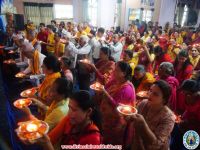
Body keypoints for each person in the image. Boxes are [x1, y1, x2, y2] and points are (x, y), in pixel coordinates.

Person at [29, 91, 102, 150]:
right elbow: (51, 138)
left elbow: (48, 142)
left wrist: (47, 144)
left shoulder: (93, 139)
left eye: (74, 110)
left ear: (88, 112)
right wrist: (34, 137)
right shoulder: (68, 119)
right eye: (69, 108)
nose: (69, 113)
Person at [125, 80, 175, 150]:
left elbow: (156, 145)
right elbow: (133, 119)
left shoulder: (169, 117)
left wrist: (143, 124)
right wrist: (127, 116)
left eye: (155, 94)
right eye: (150, 90)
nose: (150, 94)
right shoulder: (143, 103)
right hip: (137, 145)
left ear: (164, 100)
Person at [97, 61, 136, 145]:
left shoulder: (126, 88)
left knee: (111, 143)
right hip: (106, 118)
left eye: (117, 70)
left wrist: (105, 93)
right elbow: (105, 87)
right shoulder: (115, 81)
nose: (113, 71)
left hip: (116, 123)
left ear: (124, 73)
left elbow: (118, 107)